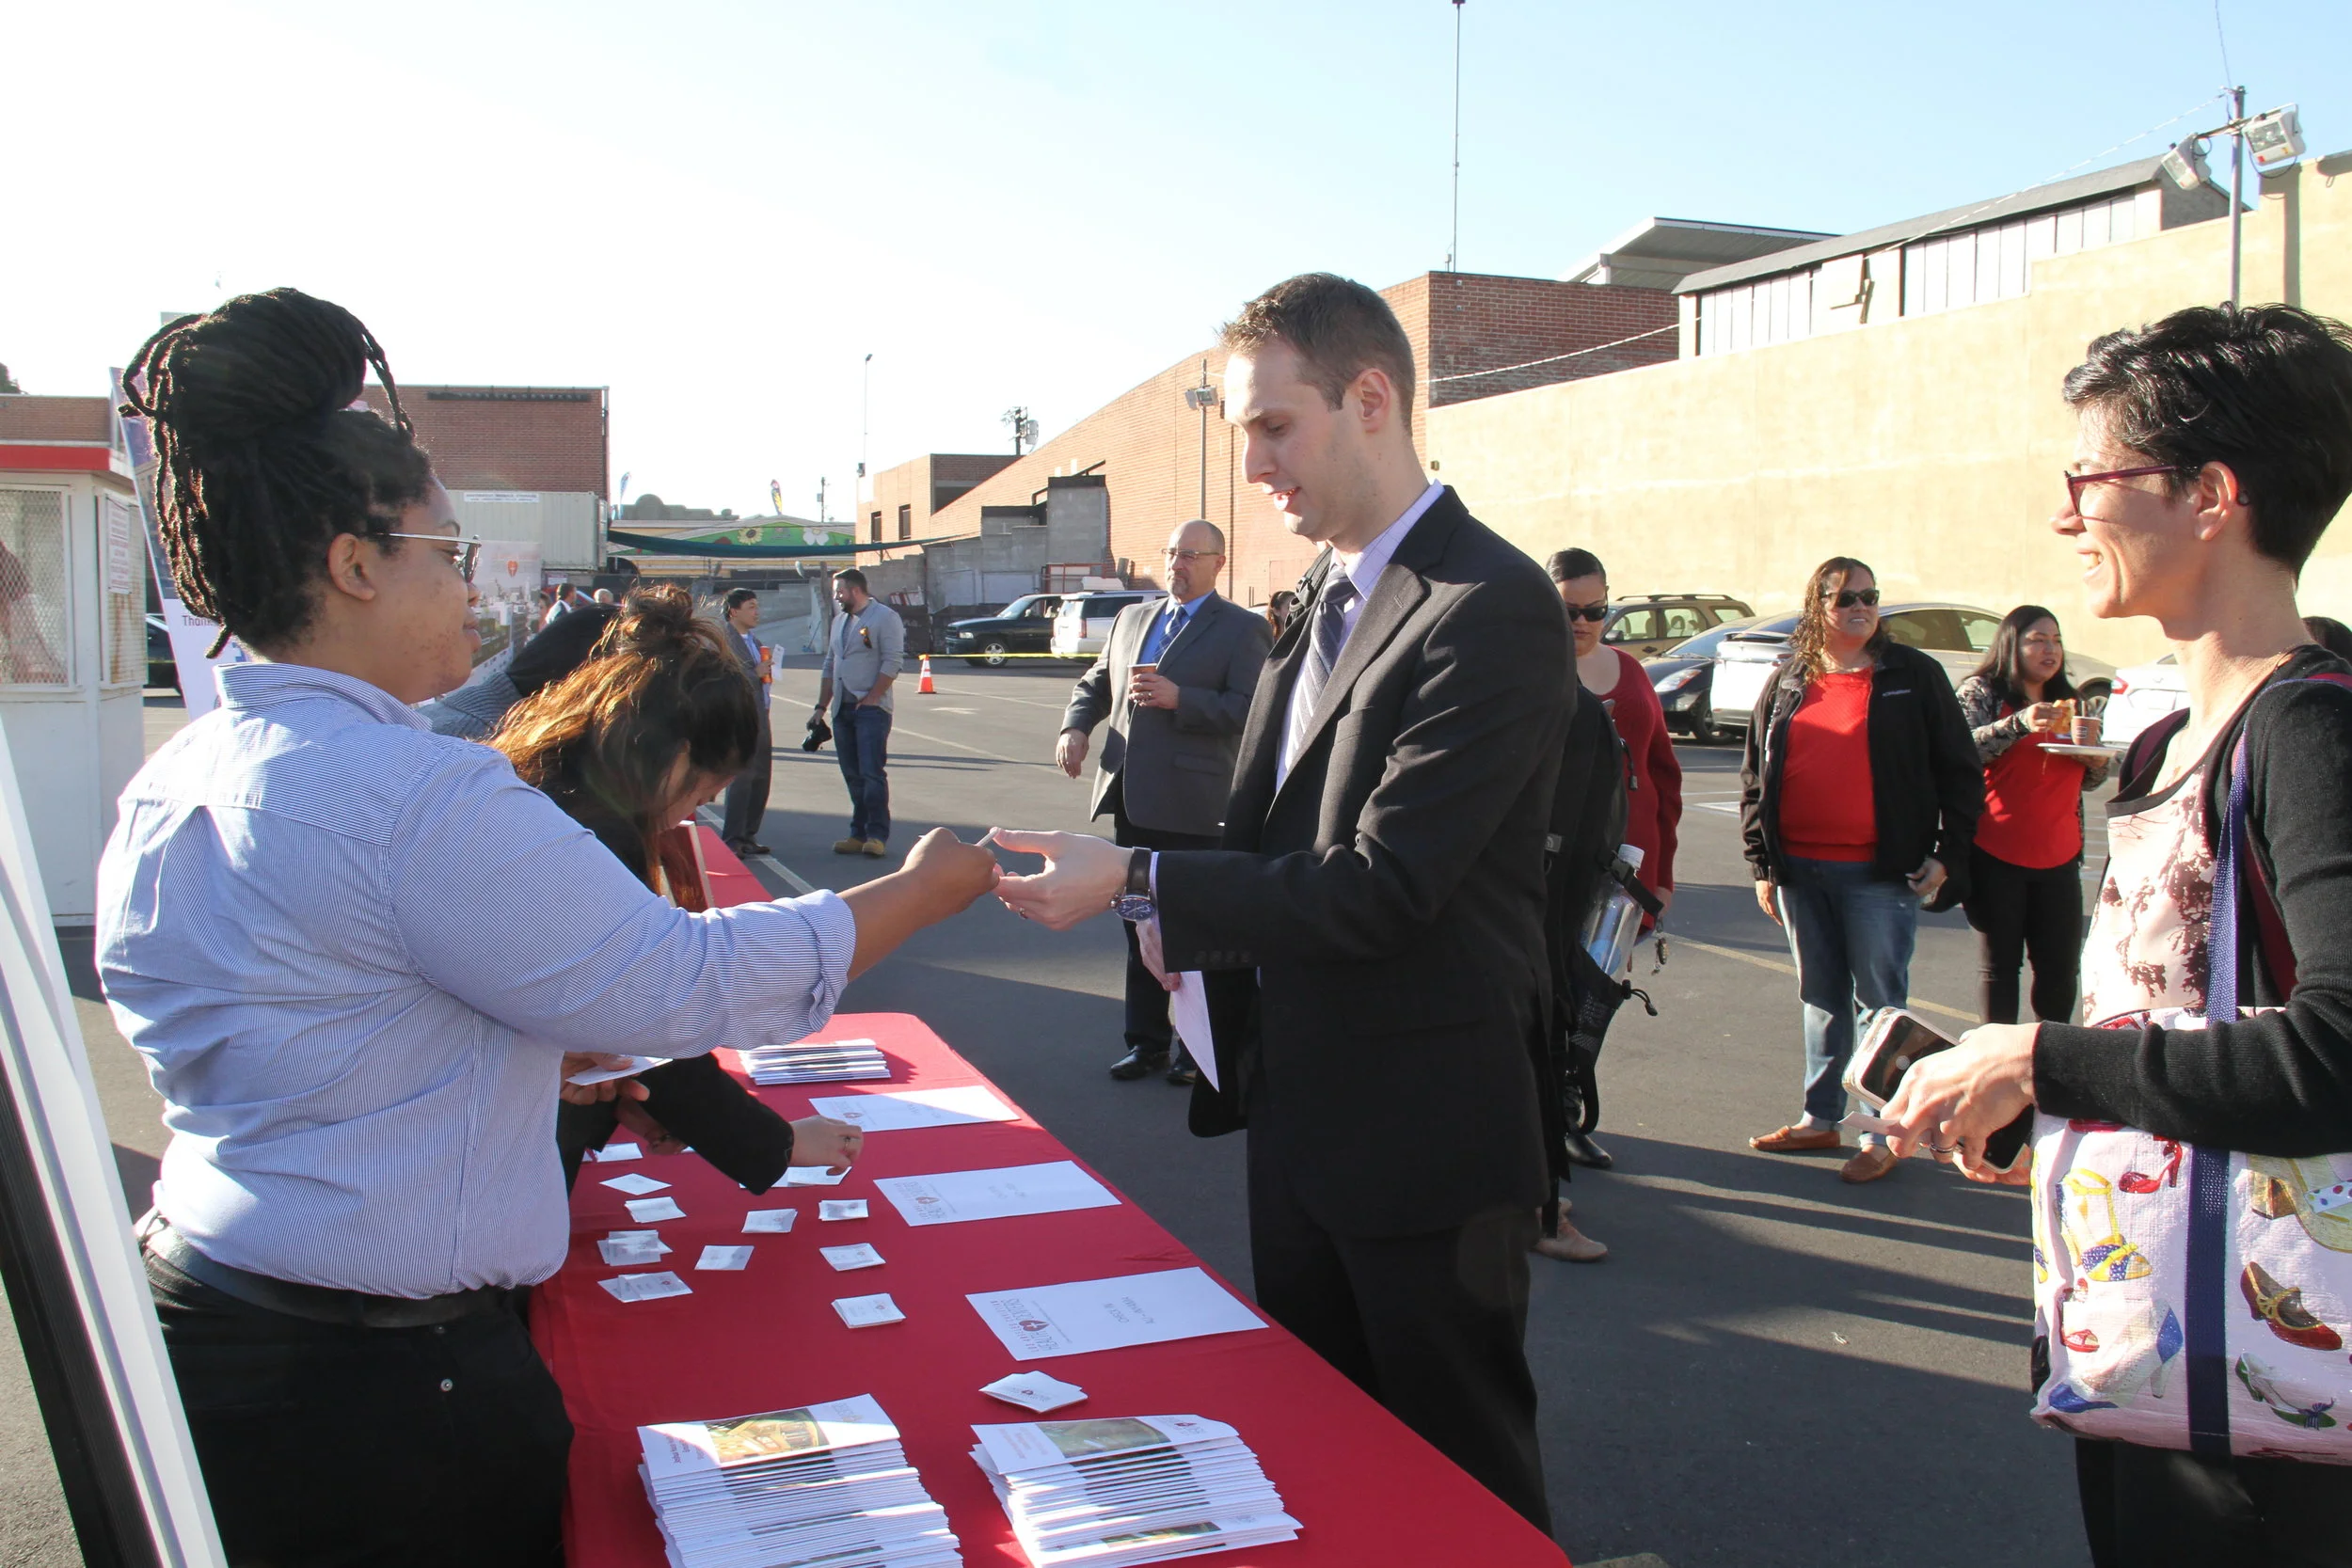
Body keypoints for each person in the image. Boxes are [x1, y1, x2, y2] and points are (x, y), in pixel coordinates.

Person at [101, 289, 1003, 1566]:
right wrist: (923, 887)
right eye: (447, 553)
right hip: (381, 1395)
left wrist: (493, 1051)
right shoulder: (413, 792)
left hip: (222, 1319)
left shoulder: (183, 773)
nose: (475, 591)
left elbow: (289, 1024)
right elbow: (679, 984)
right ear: (355, 564)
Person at [993, 273, 1569, 1532]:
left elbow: (1385, 884)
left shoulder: (1491, 605)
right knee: (1327, 1463)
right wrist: (1172, 926)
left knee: (1463, 1487)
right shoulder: (1314, 599)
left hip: (1425, 1142)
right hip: (1303, 1115)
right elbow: (1264, 834)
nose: (1252, 465)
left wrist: (1139, 879)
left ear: (1372, 399)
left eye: (1271, 426)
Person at [1884, 303, 2352, 1567]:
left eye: (2090, 476)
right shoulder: (2167, 737)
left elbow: (2337, 1055)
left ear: (2211, 494)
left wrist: (2046, 1063)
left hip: (2263, 1412)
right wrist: (2052, 1114)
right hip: (2155, 1350)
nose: (2065, 512)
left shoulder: (2306, 732)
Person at [491, 585, 860, 1191]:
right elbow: (646, 1006)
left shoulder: (543, 789)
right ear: (674, 757)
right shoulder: (592, 836)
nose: (695, 811)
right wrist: (777, 1142)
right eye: (701, 792)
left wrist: (633, 1099)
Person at [1740, 556, 1980, 1183]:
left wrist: (1949, 854)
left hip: (1879, 874)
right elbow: (1754, 774)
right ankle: (1821, 1118)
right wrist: (1762, 862)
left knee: (1882, 1007)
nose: (1861, 606)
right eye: (1846, 597)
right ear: (1818, 605)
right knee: (1820, 996)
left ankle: (1886, 1132)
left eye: (1870, 596)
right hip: (1799, 871)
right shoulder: (1791, 677)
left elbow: (1960, 770)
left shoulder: (1912, 676)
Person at [1057, 520, 1272, 1085]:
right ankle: (1146, 1041)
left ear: (1218, 563)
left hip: (1197, 803)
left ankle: (1196, 1048)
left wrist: (1185, 700)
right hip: (1132, 795)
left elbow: (1254, 710)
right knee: (1138, 921)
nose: (1178, 564)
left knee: (1194, 926)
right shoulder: (1134, 618)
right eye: (1172, 553)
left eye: (1191, 555)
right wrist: (1075, 728)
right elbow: (1097, 682)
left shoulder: (1242, 630)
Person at [1955, 607, 2110, 1026]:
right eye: (2038, 640)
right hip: (1995, 851)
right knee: (2001, 969)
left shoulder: (2074, 702)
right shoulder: (1981, 692)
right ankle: (1995, 1061)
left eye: (2056, 640)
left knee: (2060, 971)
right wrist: (2019, 723)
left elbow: (2092, 780)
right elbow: (1960, 752)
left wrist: (2092, 756)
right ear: (2012, 643)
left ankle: (2048, 1062)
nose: (2050, 649)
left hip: (2060, 855)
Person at [815, 567, 904, 858]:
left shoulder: (885, 618)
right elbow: (830, 664)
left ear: (855, 590)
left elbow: (892, 661)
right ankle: (858, 832)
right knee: (852, 774)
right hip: (842, 708)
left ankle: (877, 835)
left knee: (871, 773)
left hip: (871, 710)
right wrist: (821, 707)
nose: (836, 597)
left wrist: (873, 697)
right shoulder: (839, 620)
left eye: (839, 591)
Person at [717, 586, 774, 856]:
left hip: (761, 712)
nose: (756, 612)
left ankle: (749, 834)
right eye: (750, 606)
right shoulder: (722, 641)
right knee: (742, 776)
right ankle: (733, 837)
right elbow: (723, 677)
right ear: (733, 611)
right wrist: (755, 672)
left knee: (761, 775)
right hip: (740, 716)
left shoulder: (753, 640)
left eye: (757, 606)